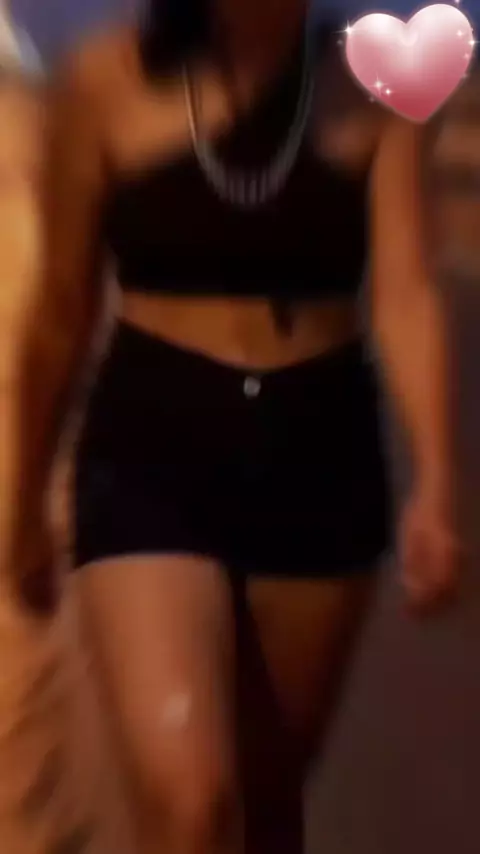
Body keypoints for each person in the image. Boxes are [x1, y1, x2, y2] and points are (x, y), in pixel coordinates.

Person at [12, 1, 462, 852]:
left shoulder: (375, 85)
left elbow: (407, 292)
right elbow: (61, 311)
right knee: (192, 806)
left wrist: (437, 481)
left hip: (320, 454)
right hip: (151, 452)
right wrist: (24, 502)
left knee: (265, 808)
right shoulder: (106, 85)